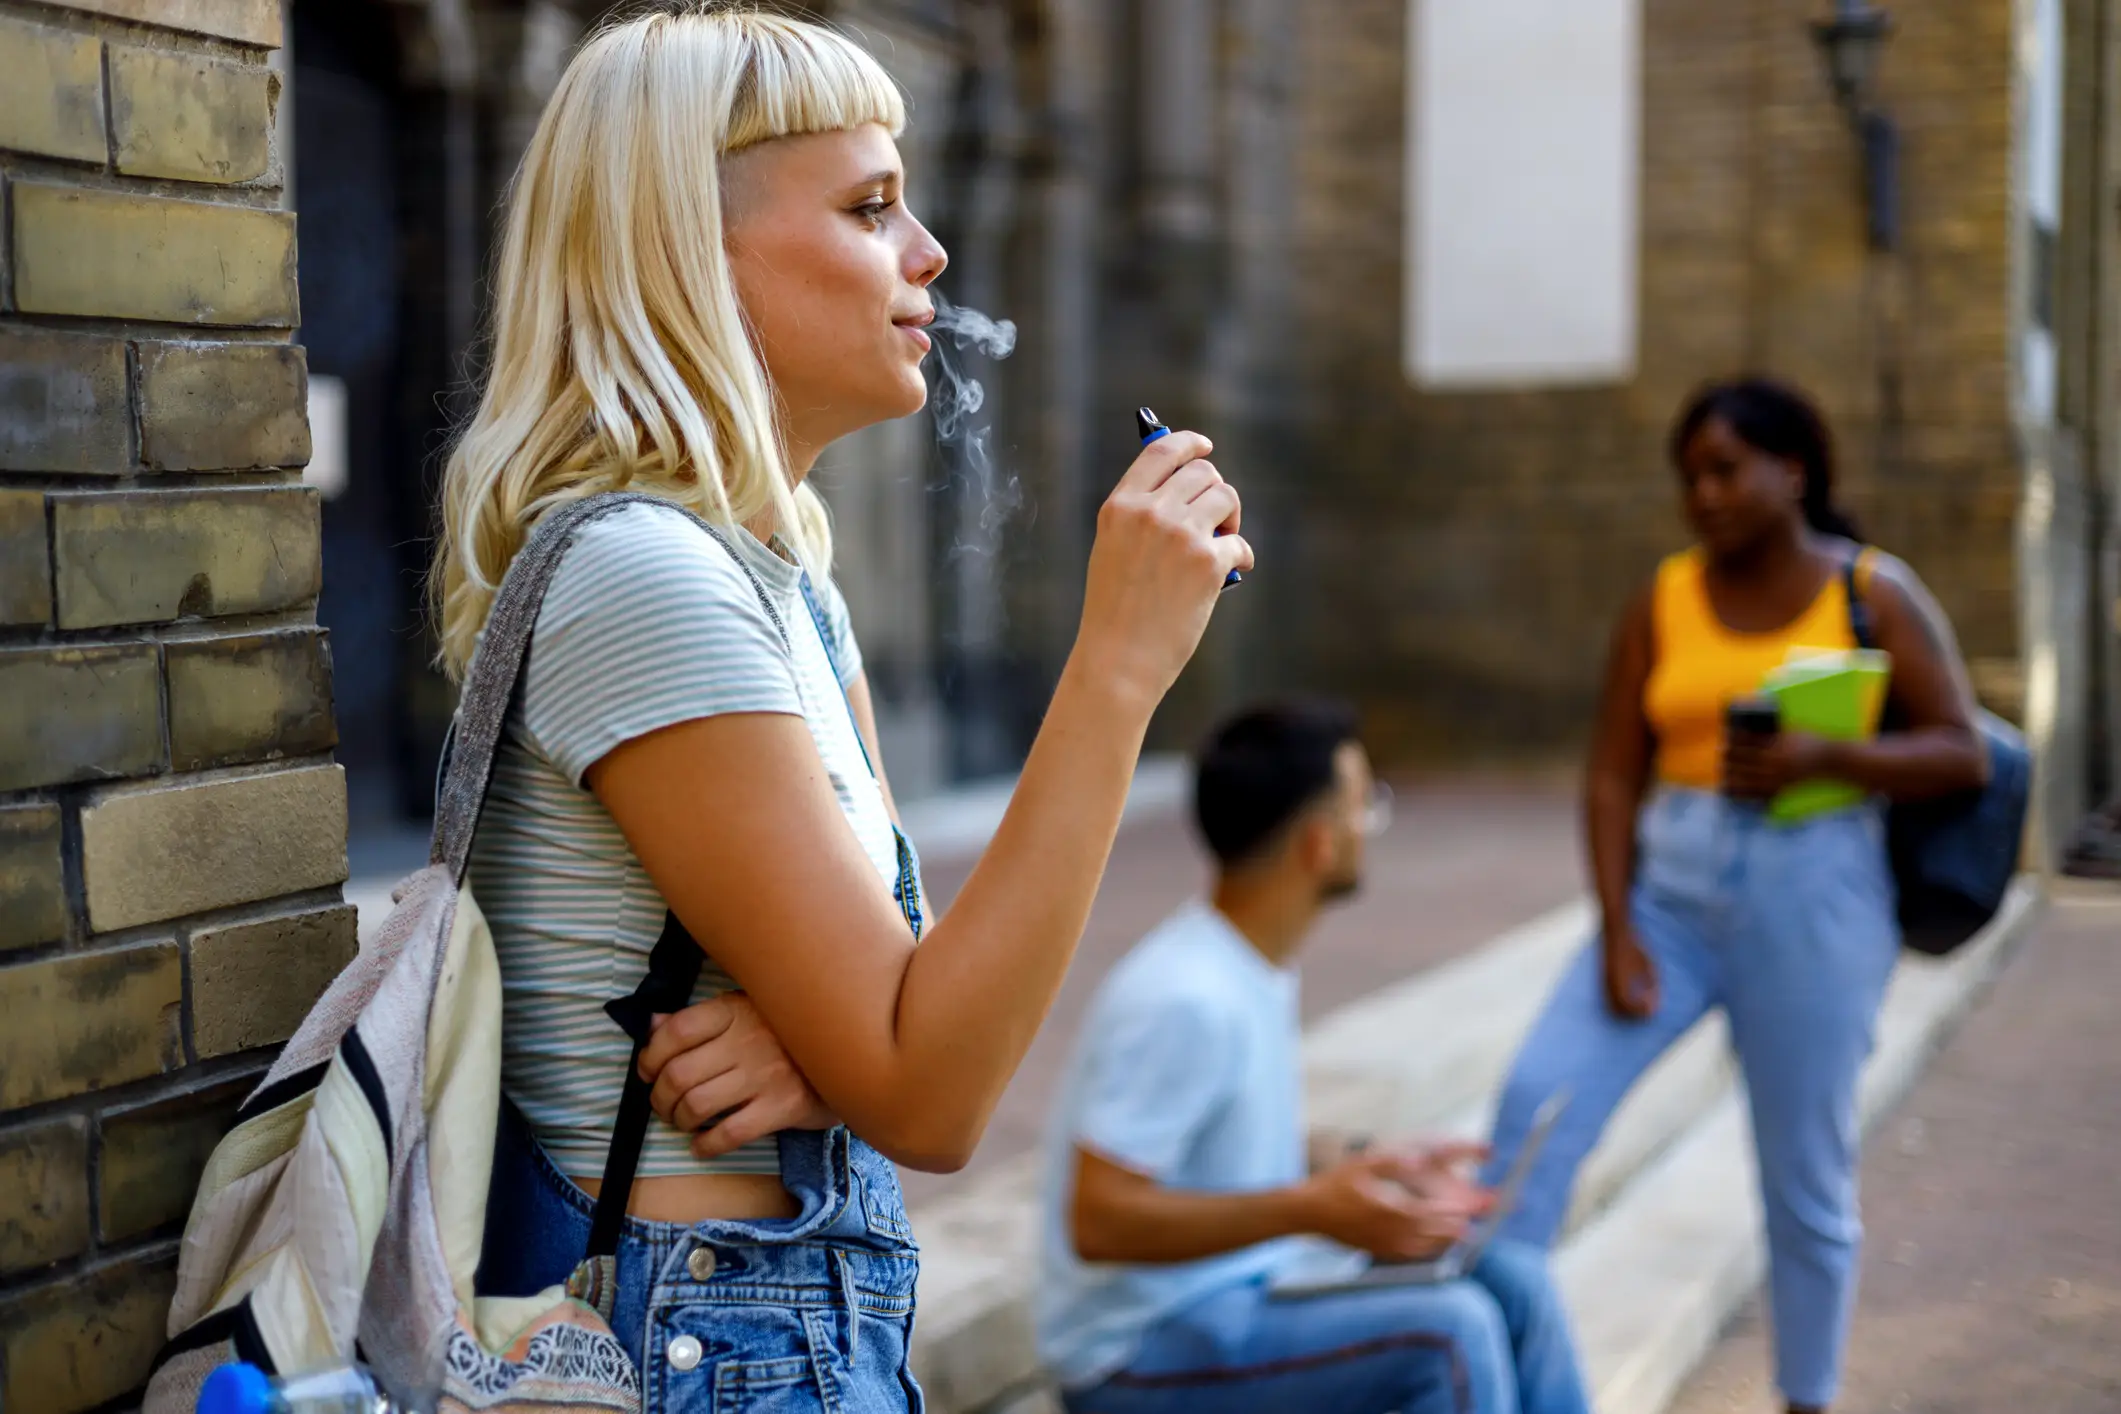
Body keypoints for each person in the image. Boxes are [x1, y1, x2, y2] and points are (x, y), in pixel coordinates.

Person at [443, 6, 1252, 1406]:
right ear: (690, 255)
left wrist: (837, 1046)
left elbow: (920, 996)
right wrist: (1117, 665)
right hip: (690, 1341)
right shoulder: (645, 579)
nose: (930, 251)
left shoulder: (787, 584)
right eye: (872, 206)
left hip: (782, 1325)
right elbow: (937, 1091)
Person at [1482, 378, 1989, 1414]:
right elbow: (1614, 771)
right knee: (1535, 1103)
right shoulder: (1661, 597)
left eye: (1724, 469)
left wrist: (1829, 753)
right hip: (1670, 897)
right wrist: (1618, 924)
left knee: (1804, 1183)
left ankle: (1807, 1398)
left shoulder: (1872, 592)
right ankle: (1492, 1373)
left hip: (1815, 896)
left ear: (1791, 471)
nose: (1702, 494)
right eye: (1688, 477)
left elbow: (1965, 749)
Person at [1038, 701, 1591, 1414]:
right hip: (1133, 1356)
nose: (1371, 825)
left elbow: (1210, 1144)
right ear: (1317, 843)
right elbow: (1099, 1219)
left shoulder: (1246, 964)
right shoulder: (1183, 998)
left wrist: (1358, 1160)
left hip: (1236, 1295)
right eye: (1364, 804)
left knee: (1512, 1280)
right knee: (1449, 1334)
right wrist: (1311, 1210)